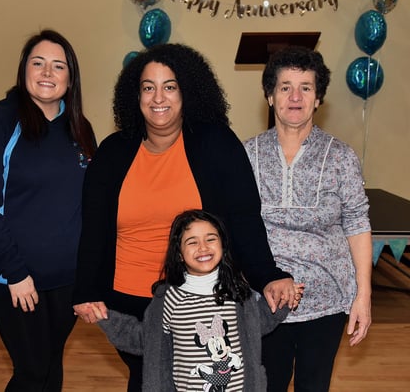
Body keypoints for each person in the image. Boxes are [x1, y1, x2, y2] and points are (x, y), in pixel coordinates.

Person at [72, 43, 299, 391]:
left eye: (169, 86)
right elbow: (94, 230)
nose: (158, 97)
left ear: (187, 91)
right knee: (150, 377)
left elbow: (244, 219)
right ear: (136, 96)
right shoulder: (114, 152)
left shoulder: (217, 144)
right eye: (148, 87)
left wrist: (268, 275)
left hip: (204, 299)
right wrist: (87, 289)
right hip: (129, 300)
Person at [0, 29, 96, 391]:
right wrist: (15, 273)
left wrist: (89, 273)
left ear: (71, 78)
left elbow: (89, 206)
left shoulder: (81, 128)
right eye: (38, 63)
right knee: (33, 370)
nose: (47, 73)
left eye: (58, 66)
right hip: (16, 279)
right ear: (24, 71)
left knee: (50, 364)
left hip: (67, 280)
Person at [243, 45, 372, 392]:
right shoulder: (245, 155)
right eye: (285, 87)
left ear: (318, 99)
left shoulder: (341, 157)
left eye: (306, 88)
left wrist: (363, 295)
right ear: (270, 96)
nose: (295, 97)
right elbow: (235, 227)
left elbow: (357, 224)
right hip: (264, 300)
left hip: (327, 301)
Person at [98, 209, 303, 392]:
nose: (203, 247)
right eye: (192, 242)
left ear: (222, 245)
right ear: (179, 254)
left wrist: (284, 298)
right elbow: (145, 339)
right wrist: (105, 317)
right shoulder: (168, 299)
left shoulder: (237, 292)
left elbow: (258, 323)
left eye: (210, 239)